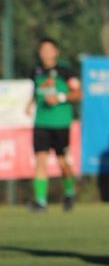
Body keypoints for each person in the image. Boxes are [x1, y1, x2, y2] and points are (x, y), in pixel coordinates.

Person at [25, 37, 81, 212]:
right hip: (41, 122)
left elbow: (79, 93)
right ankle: (41, 201)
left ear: (56, 52)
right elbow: (37, 92)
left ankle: (69, 192)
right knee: (40, 160)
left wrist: (60, 97)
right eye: (43, 50)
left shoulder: (65, 71)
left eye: (49, 50)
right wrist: (30, 103)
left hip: (60, 123)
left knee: (62, 161)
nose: (46, 53)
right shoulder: (36, 71)